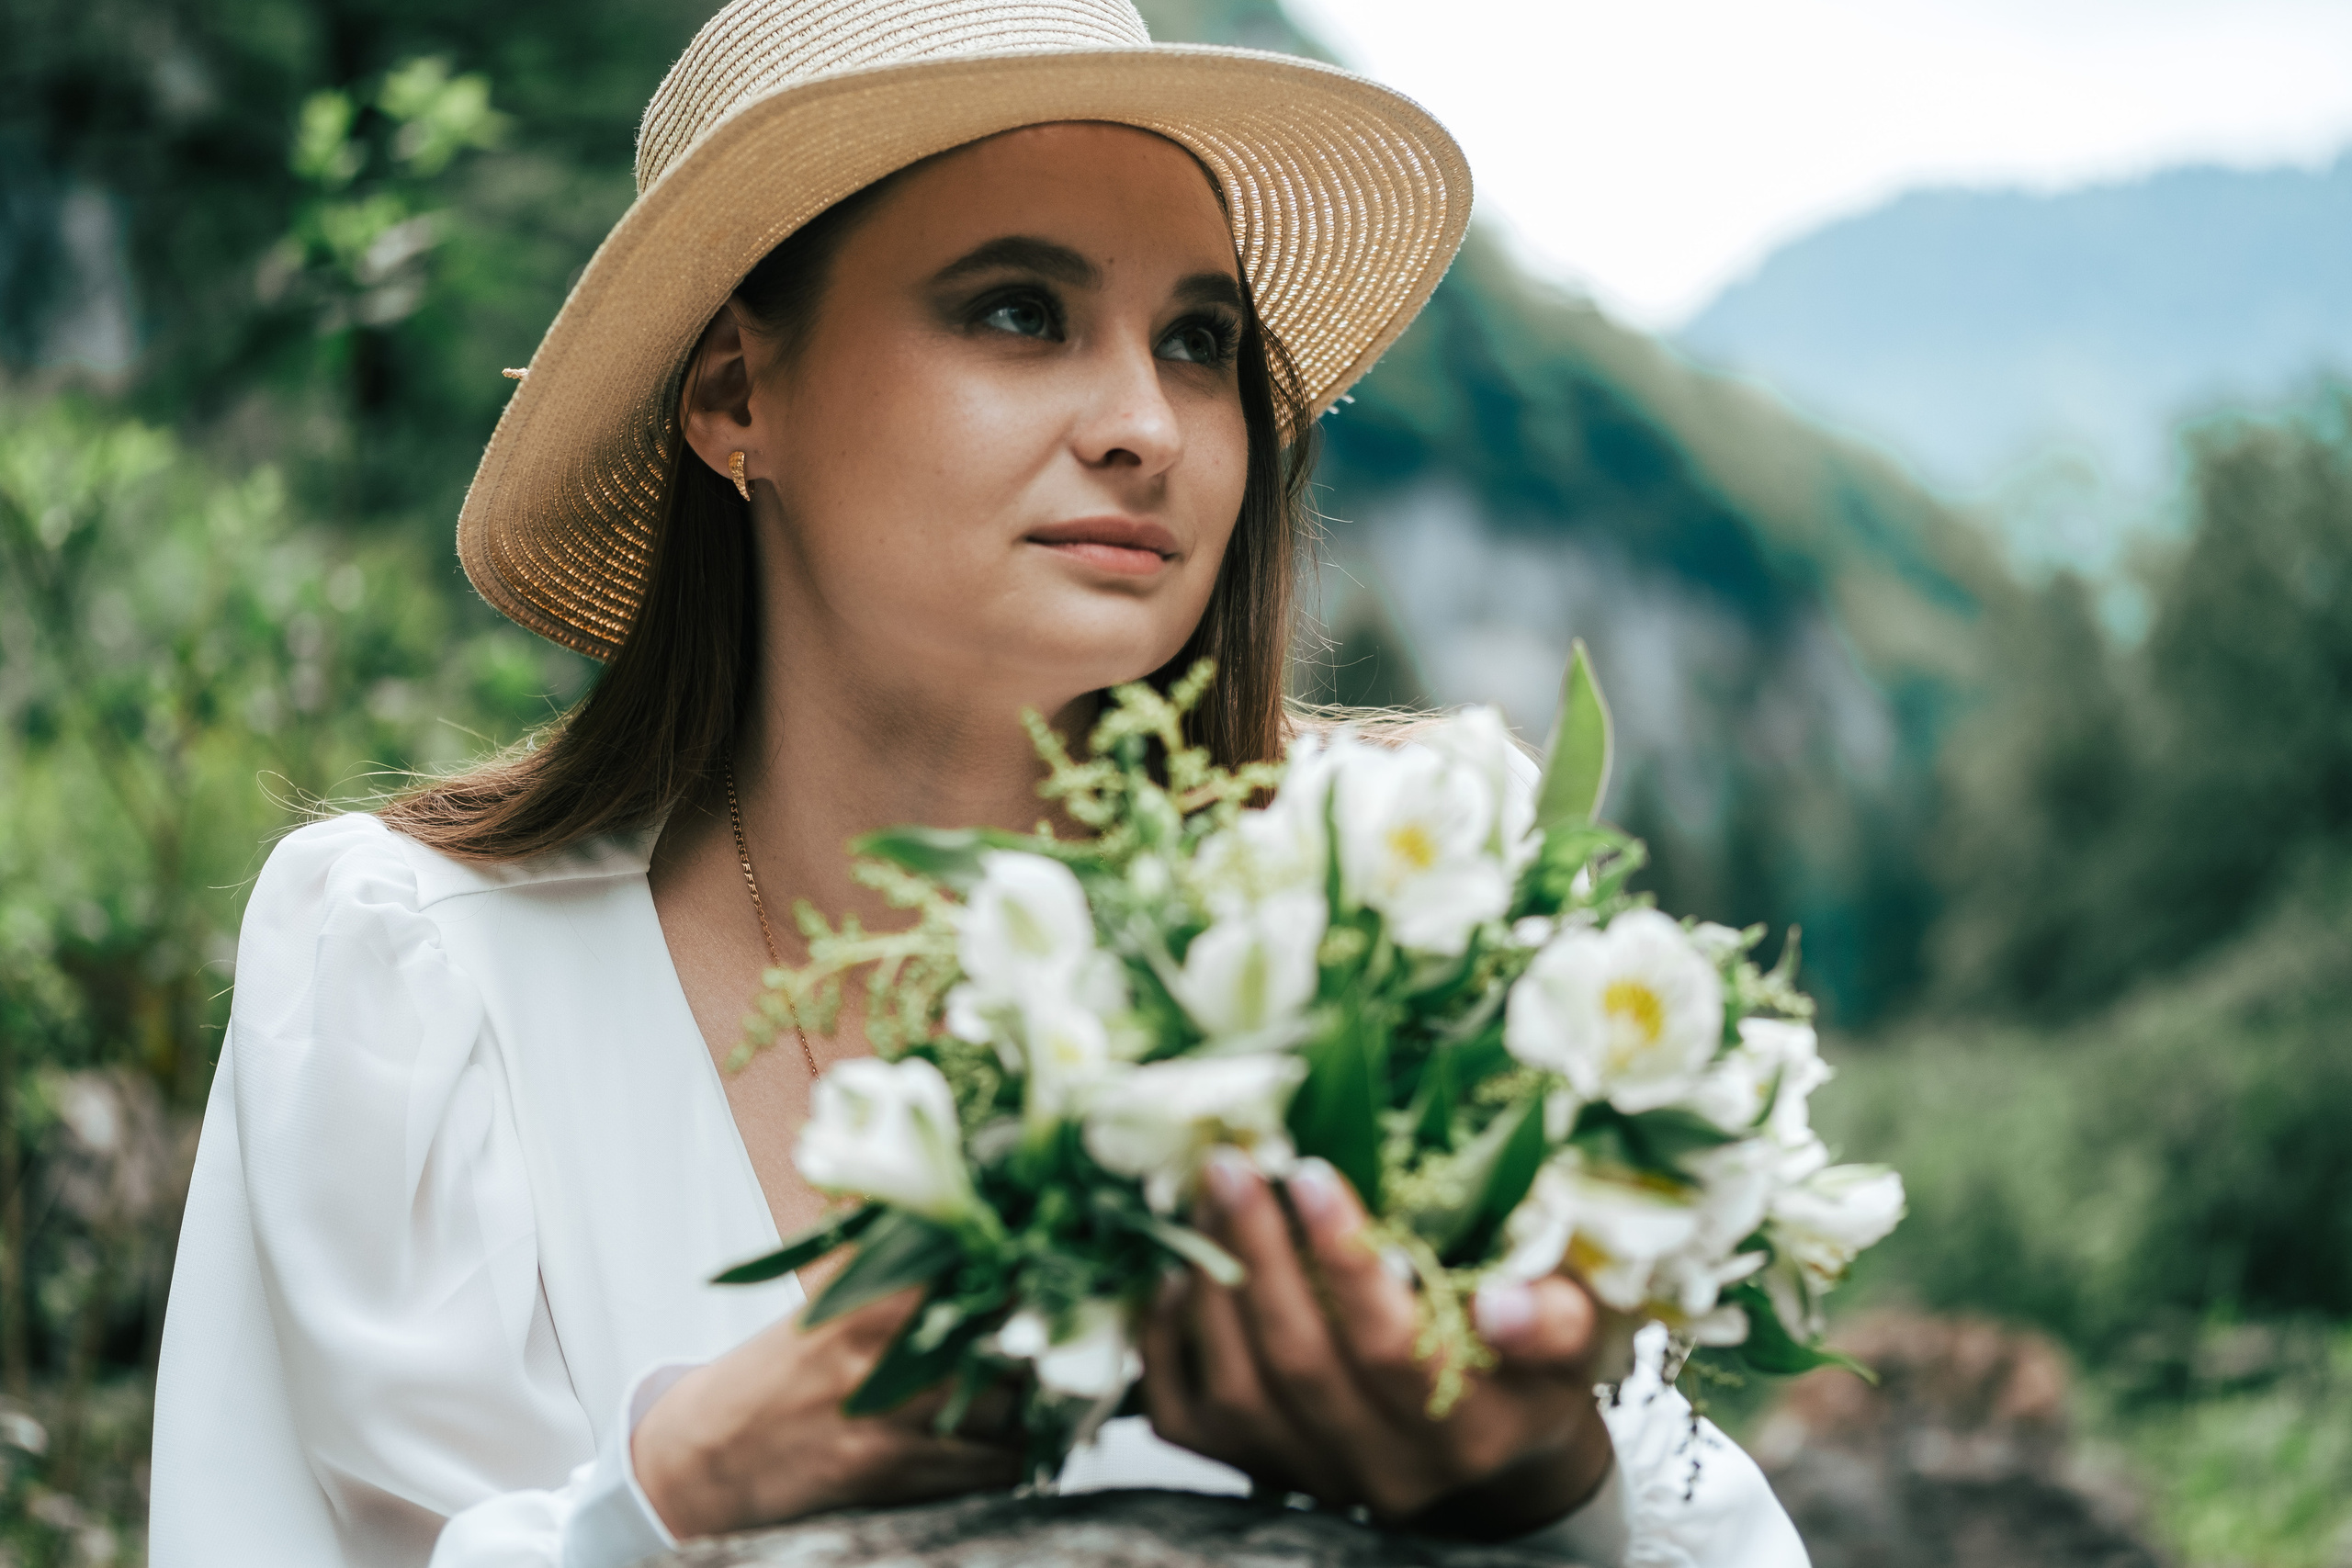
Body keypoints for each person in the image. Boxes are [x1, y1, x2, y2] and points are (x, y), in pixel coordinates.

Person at [150, 1, 1811, 1563]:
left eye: (1200, 339)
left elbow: (1707, 1525)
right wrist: (681, 1490)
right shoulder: (425, 984)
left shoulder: (1388, 898)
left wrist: (1534, 1491)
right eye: (1020, 311)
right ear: (738, 393)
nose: (1147, 422)